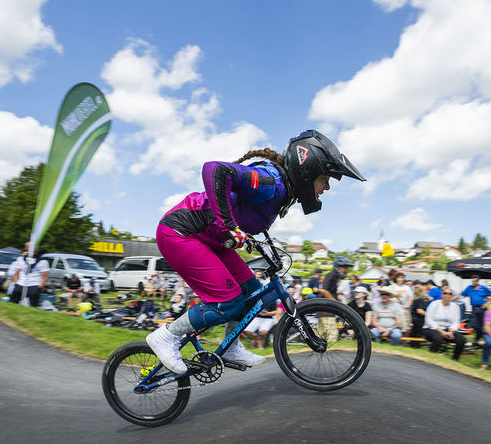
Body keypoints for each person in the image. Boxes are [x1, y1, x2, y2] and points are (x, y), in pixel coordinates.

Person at [145, 130, 366, 374]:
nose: (326, 187)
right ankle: (166, 336)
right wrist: (230, 227)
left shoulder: (283, 193)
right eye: (325, 179)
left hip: (210, 240)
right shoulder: (269, 182)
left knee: (254, 293)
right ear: (308, 171)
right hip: (181, 233)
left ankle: (230, 346)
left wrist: (252, 241)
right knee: (228, 302)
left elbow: (247, 214)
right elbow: (215, 170)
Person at [423, 286, 466, 360]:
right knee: (438, 338)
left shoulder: (455, 306)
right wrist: (442, 332)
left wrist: (451, 332)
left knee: (461, 339)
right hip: (432, 328)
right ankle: (431, 358)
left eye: (450, 294)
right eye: (445, 293)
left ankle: (454, 360)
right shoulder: (434, 304)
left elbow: (456, 322)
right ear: (442, 295)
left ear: (452, 296)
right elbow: (429, 320)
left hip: (447, 330)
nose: (447, 295)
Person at [461, 275, 491, 344]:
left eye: (475, 281)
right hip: (474, 309)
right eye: (472, 281)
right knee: (474, 324)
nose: (473, 282)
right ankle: (482, 336)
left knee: (481, 325)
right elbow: (462, 294)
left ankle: (478, 340)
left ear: (478, 281)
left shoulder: (483, 288)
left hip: (482, 308)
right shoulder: (469, 288)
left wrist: (488, 303)